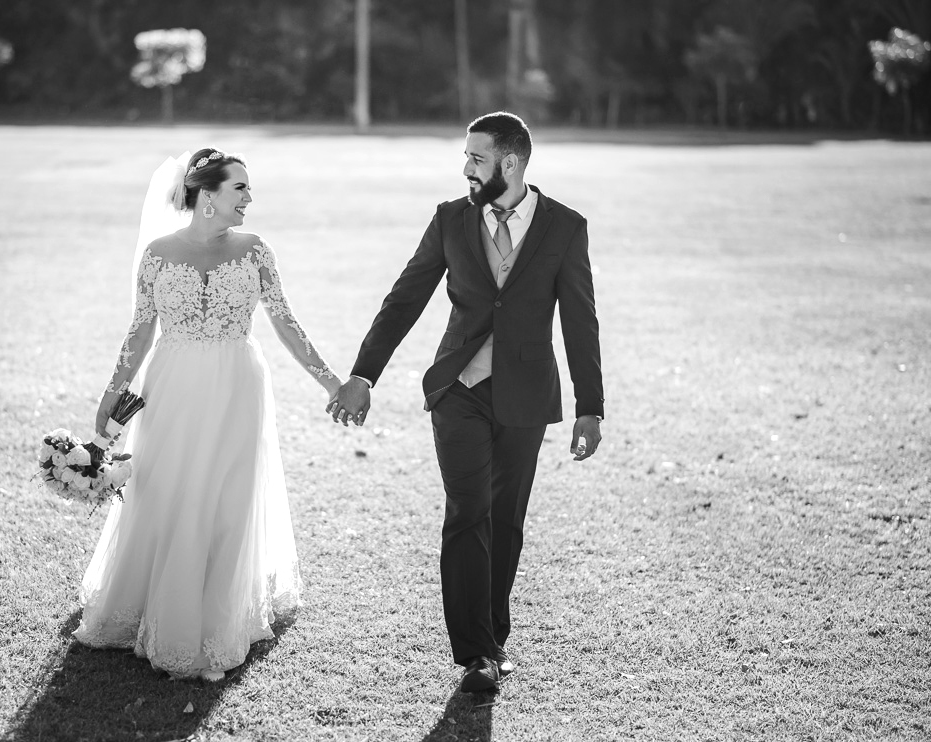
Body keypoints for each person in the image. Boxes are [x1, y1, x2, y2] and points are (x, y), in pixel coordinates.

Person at [328, 112, 605, 693]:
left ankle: (492, 638)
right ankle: (476, 653)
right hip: (459, 391)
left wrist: (590, 407)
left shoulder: (565, 228)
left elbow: (581, 321)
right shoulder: (450, 219)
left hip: (527, 397)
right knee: (467, 511)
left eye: (477, 159)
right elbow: (404, 298)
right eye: (466, 158)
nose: (466, 169)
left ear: (511, 162)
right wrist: (363, 375)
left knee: (506, 522)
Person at [73, 148, 342, 681]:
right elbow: (140, 329)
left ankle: (214, 618)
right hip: (170, 383)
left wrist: (333, 383)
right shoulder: (157, 253)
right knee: (166, 489)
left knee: (226, 495)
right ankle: (153, 607)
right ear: (208, 197)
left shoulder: (255, 250)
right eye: (239, 188)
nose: (249, 198)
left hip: (237, 385)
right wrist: (113, 391)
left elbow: (286, 323)